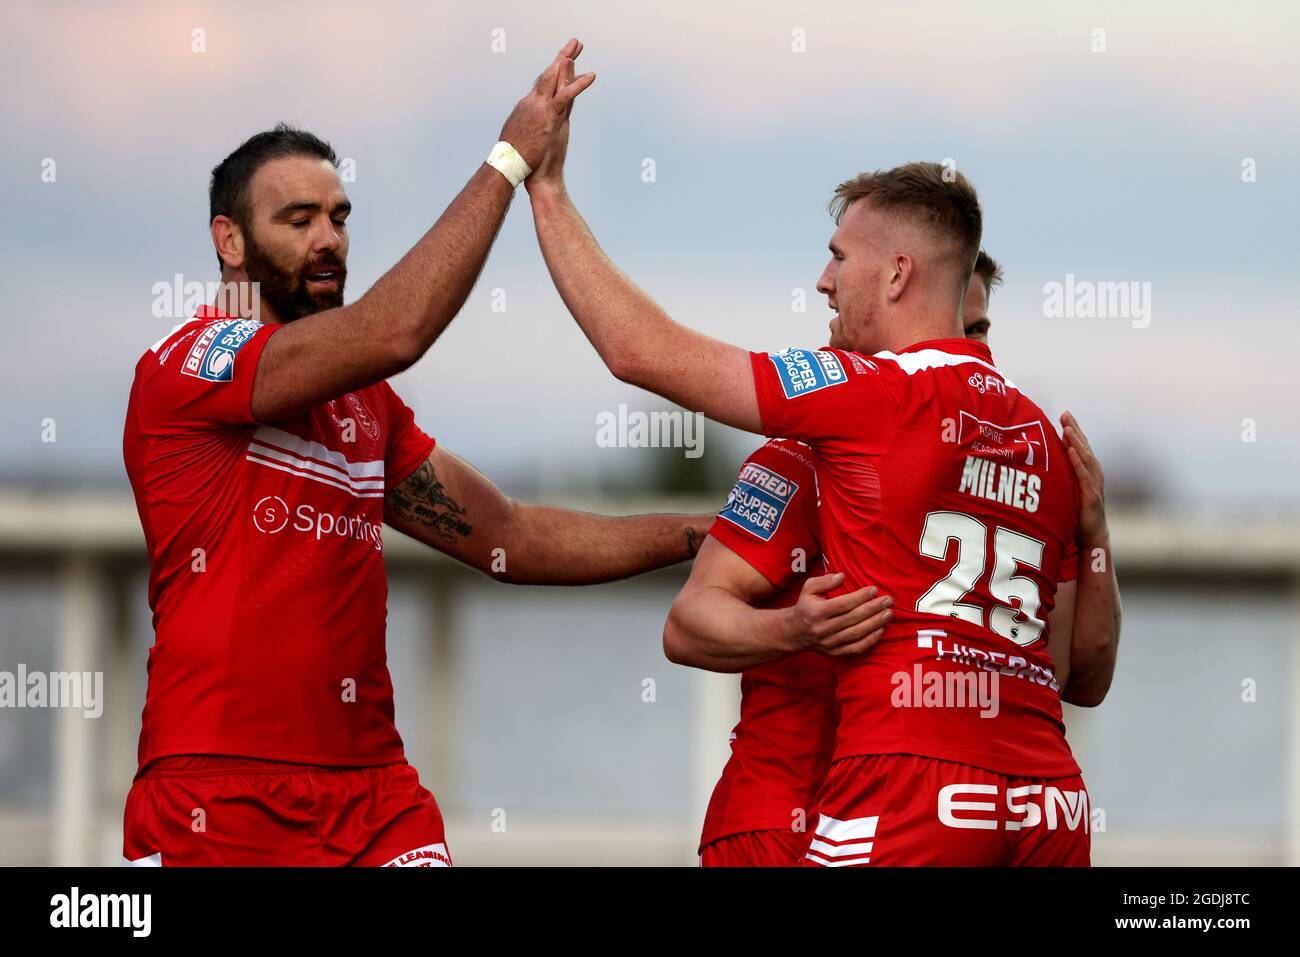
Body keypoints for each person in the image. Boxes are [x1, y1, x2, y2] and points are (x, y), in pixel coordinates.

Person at [120, 39, 711, 867]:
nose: (329, 239)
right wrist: (509, 160)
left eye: (340, 216)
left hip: (375, 798)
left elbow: (515, 539)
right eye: (298, 220)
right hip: (218, 792)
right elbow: (396, 330)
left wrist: (698, 535)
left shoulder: (366, 406)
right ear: (230, 241)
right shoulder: (189, 365)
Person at [525, 75, 1104, 863]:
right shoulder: (1046, 436)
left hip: (903, 784)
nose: (823, 281)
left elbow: (640, 351)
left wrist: (547, 193)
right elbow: (1074, 671)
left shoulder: (864, 394)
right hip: (1047, 798)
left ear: (897, 275)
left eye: (838, 258)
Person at [667, 254, 1121, 865]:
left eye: (976, 330)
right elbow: (687, 624)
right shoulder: (804, 456)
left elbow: (1074, 679)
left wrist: (1096, 537)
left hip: (928, 811)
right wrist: (791, 629)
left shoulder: (1009, 476)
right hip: (783, 814)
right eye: (949, 329)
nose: (958, 347)